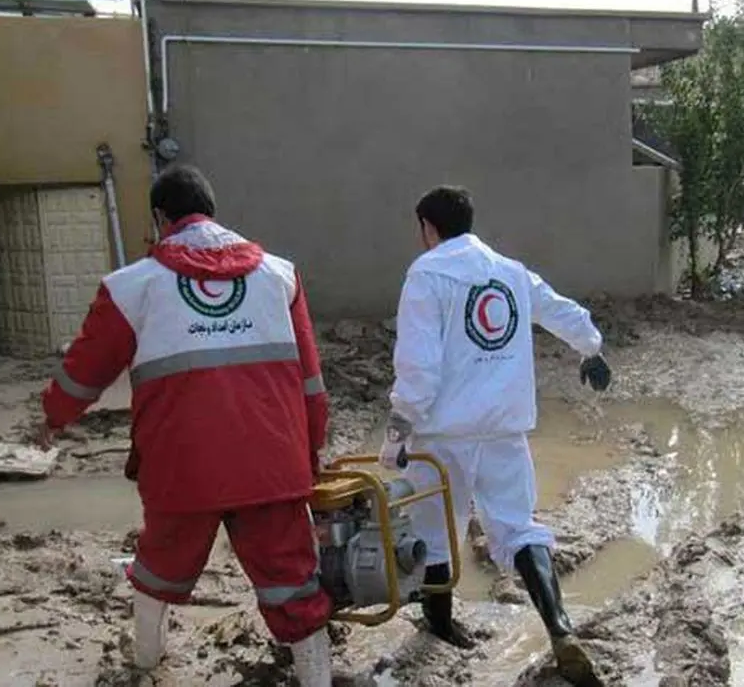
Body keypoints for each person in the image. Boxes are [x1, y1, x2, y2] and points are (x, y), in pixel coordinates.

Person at [38, 165, 333, 686]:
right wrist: (306, 460)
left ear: (160, 217)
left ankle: (146, 664)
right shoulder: (280, 276)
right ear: (211, 211)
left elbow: (85, 373)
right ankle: (317, 678)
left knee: (158, 569)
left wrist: (51, 419)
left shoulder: (132, 287)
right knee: (292, 582)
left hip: (181, 469)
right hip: (271, 464)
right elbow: (312, 385)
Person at [381, 186, 612, 687]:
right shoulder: (508, 270)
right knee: (517, 526)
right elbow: (559, 310)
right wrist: (591, 348)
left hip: (443, 433)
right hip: (505, 427)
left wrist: (399, 429)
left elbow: (418, 367)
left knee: (436, 529)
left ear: (427, 227)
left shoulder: (427, 273)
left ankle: (441, 626)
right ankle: (560, 626)